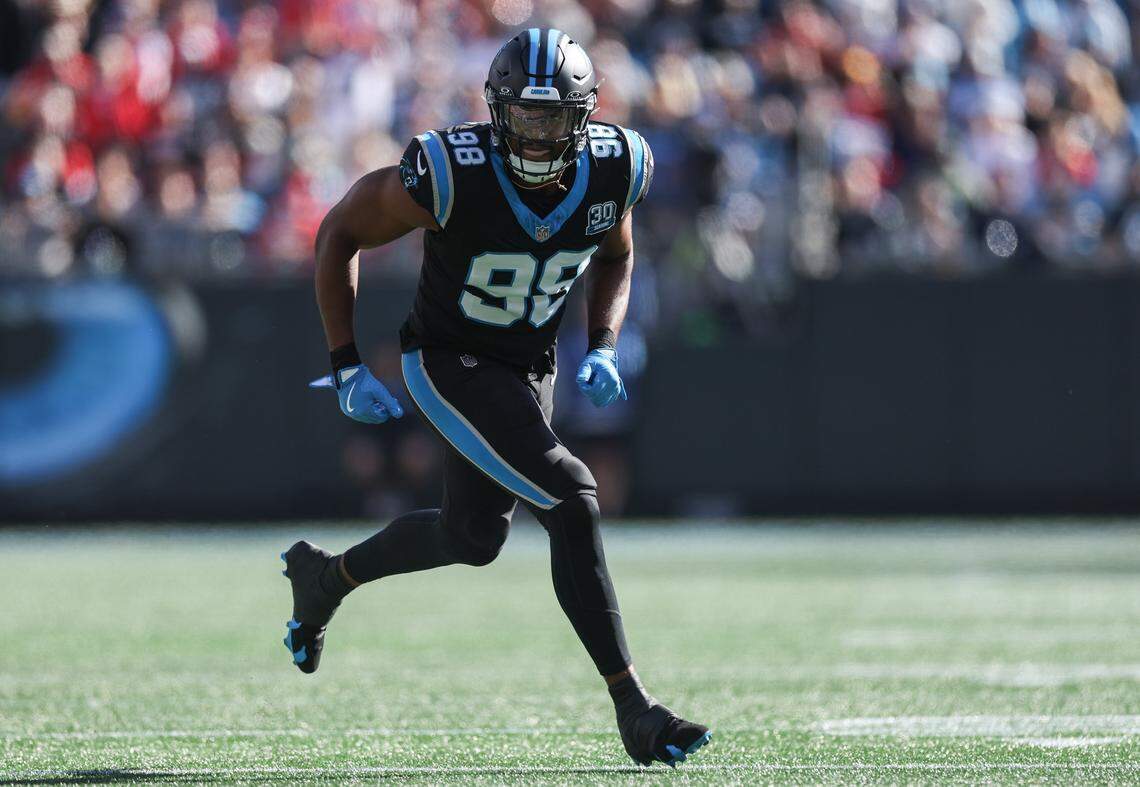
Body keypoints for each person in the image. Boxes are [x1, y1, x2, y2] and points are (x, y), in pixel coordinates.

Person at [280, 28, 711, 767]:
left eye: (554, 118)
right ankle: (633, 705)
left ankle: (327, 577)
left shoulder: (618, 165)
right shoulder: (450, 169)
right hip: (446, 358)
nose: (538, 135)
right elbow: (340, 232)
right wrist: (346, 362)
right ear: (496, 111)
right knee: (572, 494)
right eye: (525, 116)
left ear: (584, 117)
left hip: (526, 364)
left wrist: (603, 340)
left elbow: (616, 251)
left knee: (473, 538)